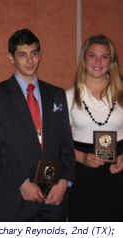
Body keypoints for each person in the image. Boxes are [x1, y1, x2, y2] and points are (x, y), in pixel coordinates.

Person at [0, 29, 75, 222]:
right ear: (11, 57)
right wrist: (22, 183)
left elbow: (66, 143)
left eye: (33, 53)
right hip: (15, 200)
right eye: (22, 55)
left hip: (54, 201)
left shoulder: (57, 95)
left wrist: (65, 181)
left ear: (40, 55)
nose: (30, 60)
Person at [66, 34, 123, 222]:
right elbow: (59, 144)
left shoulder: (121, 93)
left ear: (111, 61)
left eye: (104, 56)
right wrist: (82, 157)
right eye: (92, 55)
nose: (98, 61)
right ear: (84, 59)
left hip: (118, 174)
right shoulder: (68, 96)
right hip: (83, 176)